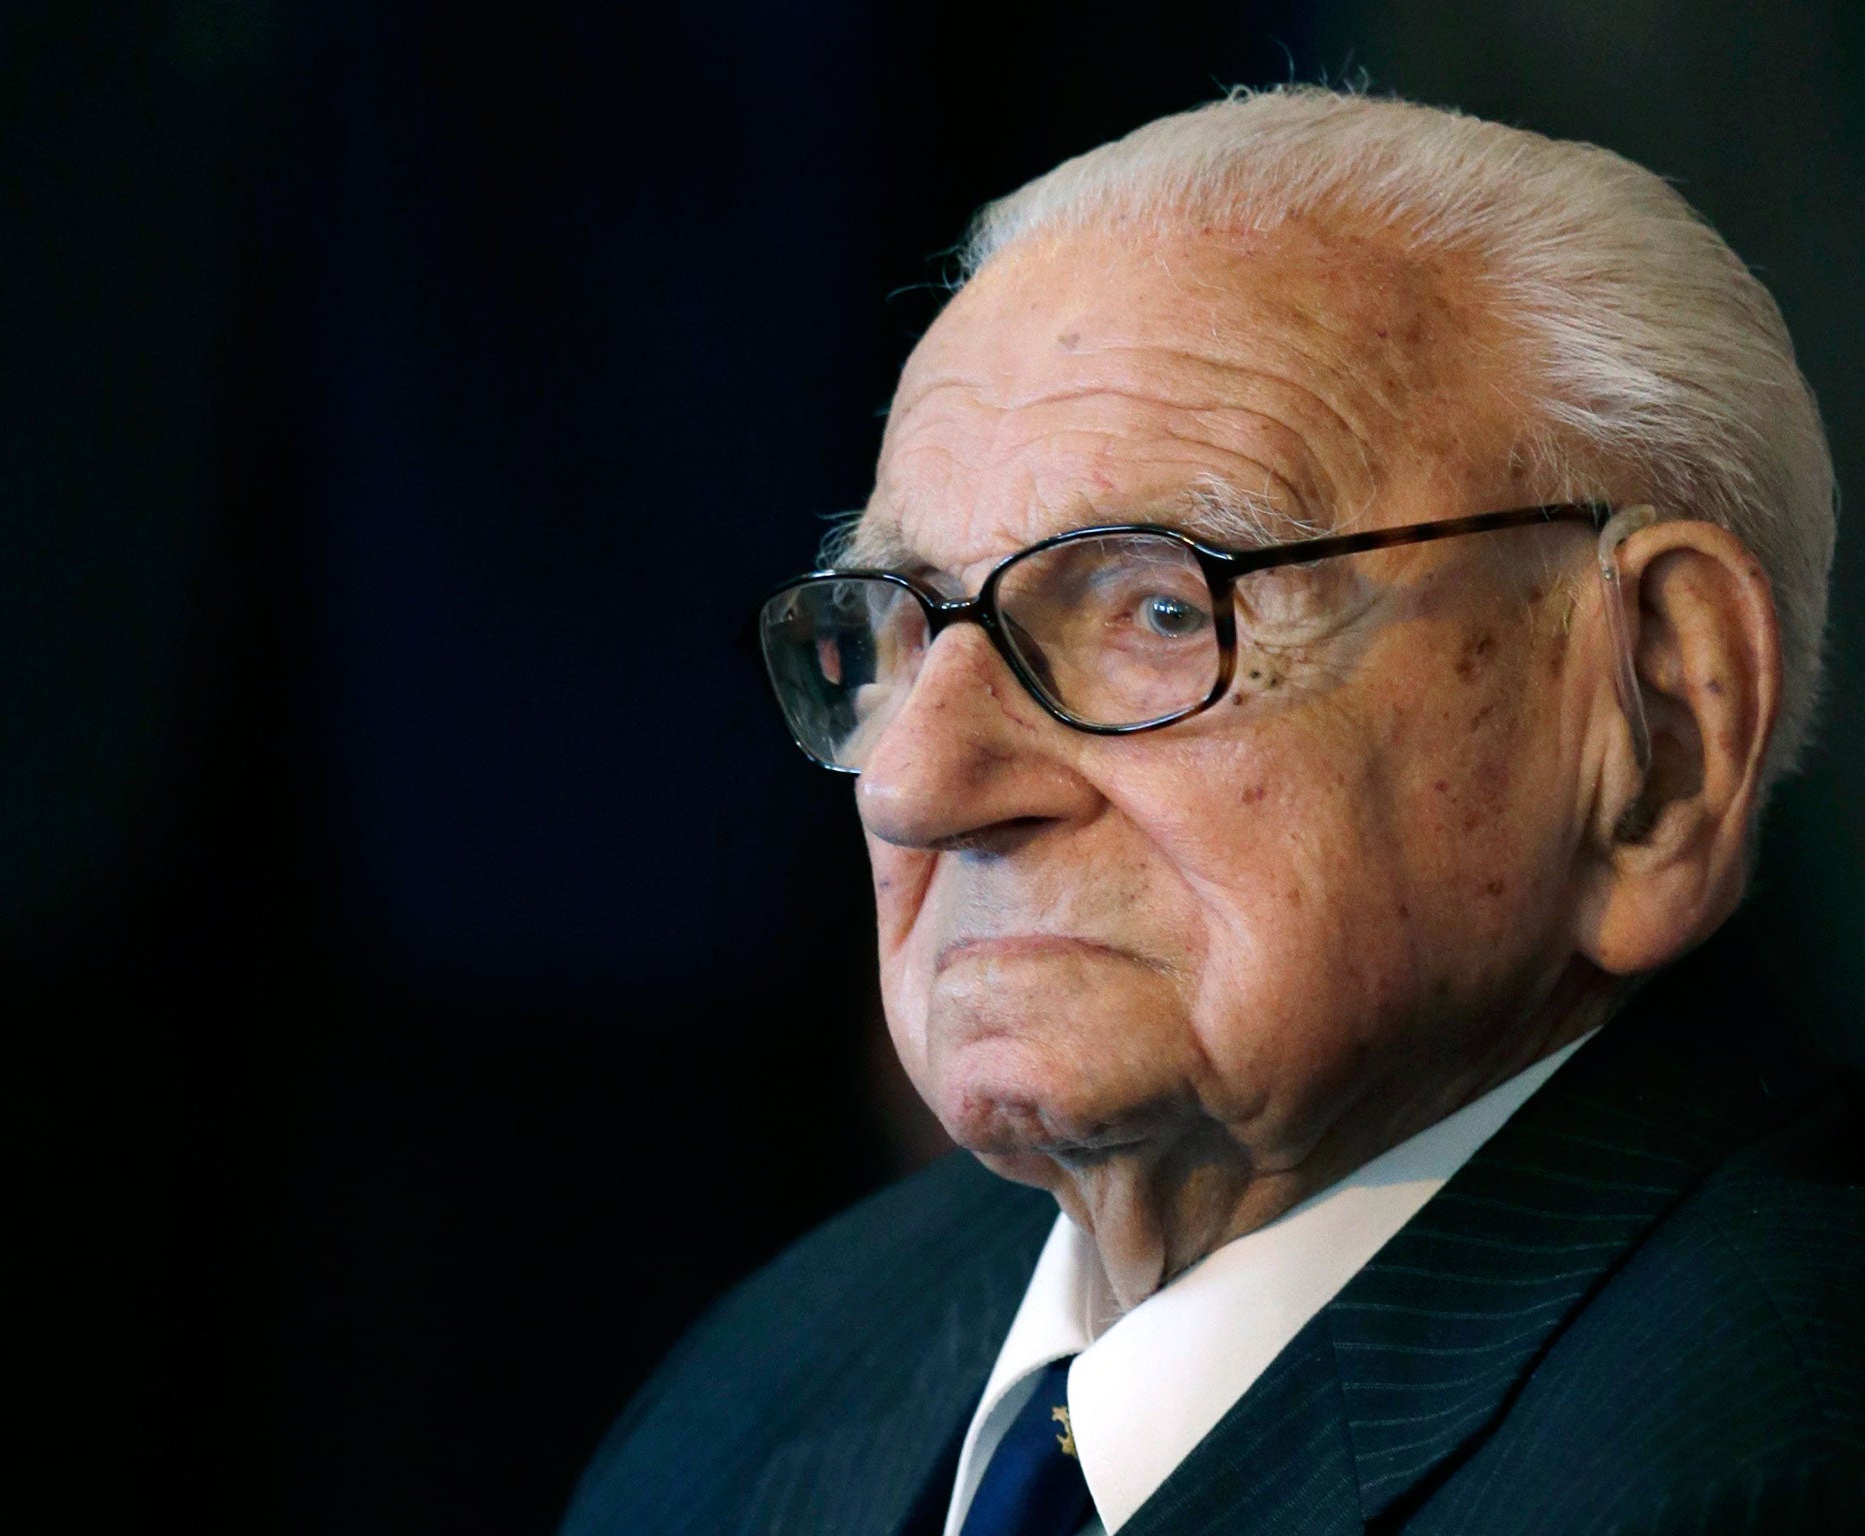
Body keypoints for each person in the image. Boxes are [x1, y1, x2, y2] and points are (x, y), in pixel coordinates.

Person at [560, 88, 1864, 1536]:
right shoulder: (776, 1365)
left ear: (1660, 732)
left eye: (1162, 609)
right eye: (901, 624)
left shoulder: (1761, 1470)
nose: (922, 784)